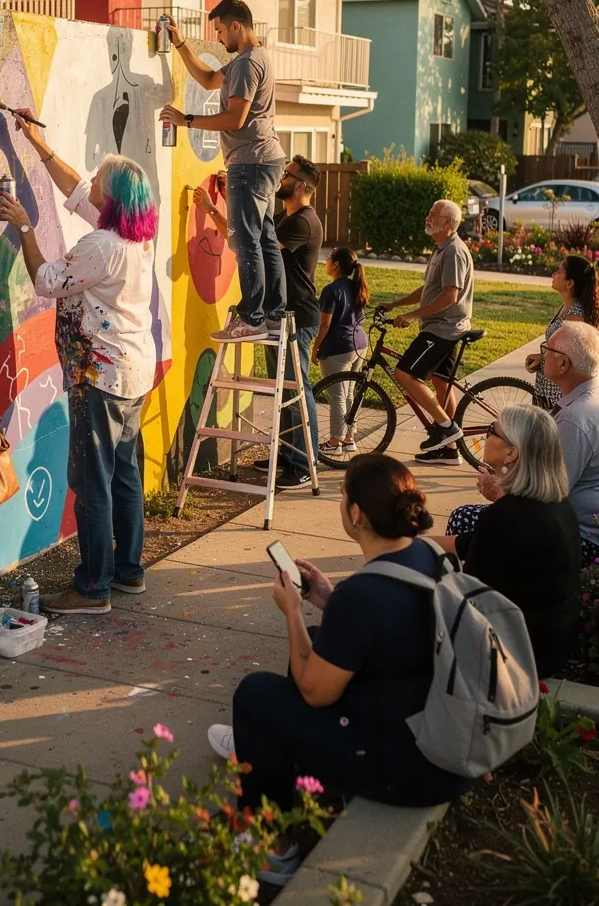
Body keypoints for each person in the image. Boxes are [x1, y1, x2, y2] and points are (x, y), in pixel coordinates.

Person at [206, 455, 471, 886]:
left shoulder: (364, 595)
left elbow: (314, 693)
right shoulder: (427, 554)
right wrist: (326, 600)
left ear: (355, 514)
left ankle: (273, 849)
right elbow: (393, 626)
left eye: (343, 493)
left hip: (407, 770)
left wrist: (291, 611)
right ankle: (297, 775)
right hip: (439, 737)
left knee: (256, 696)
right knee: (317, 635)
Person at [0, 109, 157, 616]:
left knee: (92, 482)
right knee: (125, 473)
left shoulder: (99, 246)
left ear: (109, 201)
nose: (91, 188)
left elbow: (46, 280)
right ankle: (128, 571)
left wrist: (24, 227)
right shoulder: (135, 237)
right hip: (134, 371)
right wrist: (36, 145)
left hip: (101, 376)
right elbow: (74, 188)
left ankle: (93, 587)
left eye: (99, 185)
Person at [159, 0, 286, 344]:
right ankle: (274, 314)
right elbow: (206, 79)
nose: (218, 39)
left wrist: (186, 120)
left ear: (236, 26)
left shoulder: (247, 64)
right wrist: (181, 43)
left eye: (219, 30)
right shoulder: (251, 60)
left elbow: (236, 118)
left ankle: (252, 317)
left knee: (247, 241)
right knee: (264, 239)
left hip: (251, 161)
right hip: (266, 158)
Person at [195, 155, 323, 491]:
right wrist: (229, 201)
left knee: (298, 387)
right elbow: (248, 236)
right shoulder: (284, 217)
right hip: (279, 316)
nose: (280, 178)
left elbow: (245, 244)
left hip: (299, 317)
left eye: (287, 175)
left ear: (301, 185)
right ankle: (286, 454)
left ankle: (304, 463)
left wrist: (211, 209)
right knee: (284, 386)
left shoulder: (303, 222)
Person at [438, 406, 581, 678]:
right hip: (545, 645)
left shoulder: (508, 517)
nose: (485, 434)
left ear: (511, 453)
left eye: (492, 431)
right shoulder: (554, 503)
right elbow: (471, 543)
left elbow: (468, 602)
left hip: (515, 658)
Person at [382, 199, 474, 466]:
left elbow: (449, 296)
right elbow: (428, 290)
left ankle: (445, 427)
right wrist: (396, 304)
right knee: (442, 386)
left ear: (447, 222)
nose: (427, 217)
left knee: (405, 373)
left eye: (432, 214)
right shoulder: (440, 249)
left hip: (443, 328)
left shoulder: (454, 251)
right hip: (443, 326)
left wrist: (412, 315)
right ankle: (449, 450)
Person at [540, 321, 599, 566]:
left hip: (580, 535)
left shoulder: (576, 418)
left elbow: (549, 493)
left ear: (563, 363)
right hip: (580, 523)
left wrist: (502, 488)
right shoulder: (591, 394)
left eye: (548, 349)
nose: (543, 354)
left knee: (466, 520)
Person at [312, 247, 369, 452]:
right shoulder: (356, 286)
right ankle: (349, 438)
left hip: (338, 347)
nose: (325, 262)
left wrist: (315, 348)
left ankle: (335, 442)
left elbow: (325, 325)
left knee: (336, 395)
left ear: (335, 264)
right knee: (349, 393)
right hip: (360, 345)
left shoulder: (331, 290)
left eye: (328, 259)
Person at [525, 255, 599, 411]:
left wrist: (544, 358)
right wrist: (542, 358)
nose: (553, 275)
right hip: (548, 386)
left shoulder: (575, 316)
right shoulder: (566, 307)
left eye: (559, 271)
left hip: (558, 393)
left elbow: (568, 359)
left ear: (570, 283)